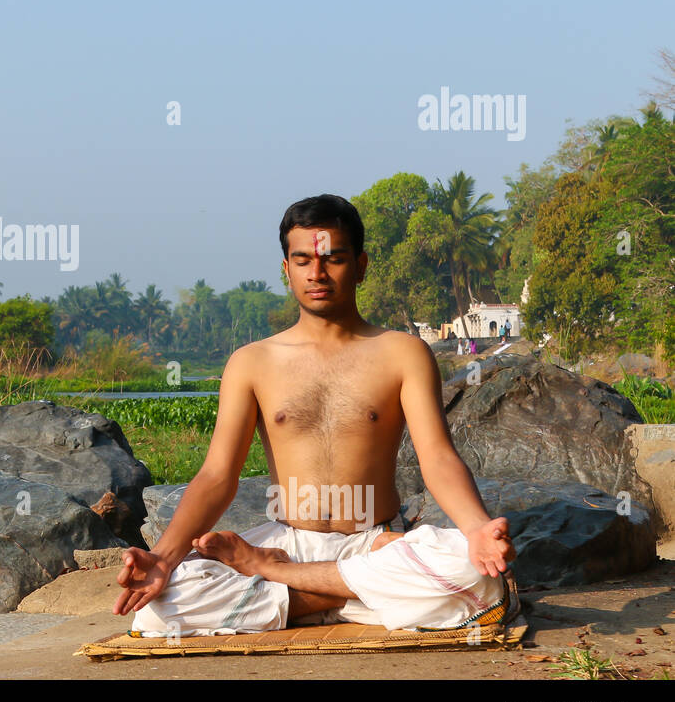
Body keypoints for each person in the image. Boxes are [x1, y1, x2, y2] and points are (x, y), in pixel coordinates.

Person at [114, 194, 516, 636]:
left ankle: (283, 585)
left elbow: (437, 458)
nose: (317, 274)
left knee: (477, 573)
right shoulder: (252, 362)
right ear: (286, 269)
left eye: (333, 259)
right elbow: (216, 475)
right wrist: (163, 558)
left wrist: (477, 528)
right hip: (290, 539)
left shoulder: (402, 353)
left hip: (373, 540)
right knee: (157, 610)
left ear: (360, 266)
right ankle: (362, 598)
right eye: (302, 260)